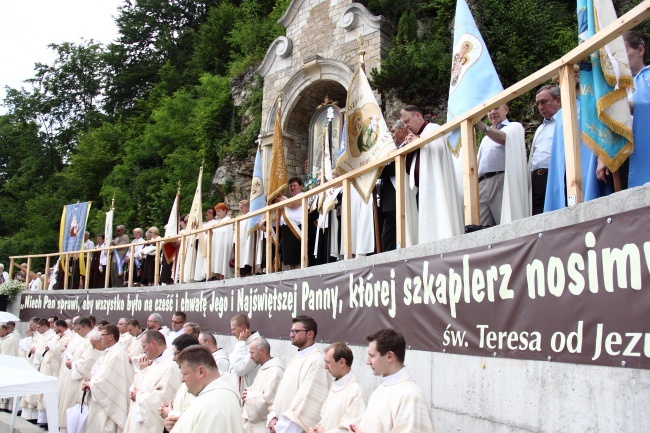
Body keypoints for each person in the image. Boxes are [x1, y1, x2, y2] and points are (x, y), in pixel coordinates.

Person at [350, 329, 434, 433]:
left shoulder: (410, 396)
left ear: (390, 356)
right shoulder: (380, 390)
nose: (367, 361)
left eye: (372, 356)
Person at [400, 105, 463, 243]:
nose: (405, 126)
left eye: (407, 121)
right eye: (404, 123)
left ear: (417, 115)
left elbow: (438, 150)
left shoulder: (432, 128)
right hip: (420, 190)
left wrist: (419, 142)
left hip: (435, 187)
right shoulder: (415, 136)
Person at [268, 315, 330, 433]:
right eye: (291, 331)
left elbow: (306, 403)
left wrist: (280, 428)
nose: (291, 334)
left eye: (296, 331)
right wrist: (273, 416)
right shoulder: (295, 359)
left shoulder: (316, 362)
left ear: (310, 334)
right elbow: (281, 393)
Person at [166, 345, 244, 433]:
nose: (182, 379)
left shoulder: (214, 404)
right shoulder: (213, 395)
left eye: (185, 374)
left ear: (201, 372)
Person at [474, 104, 529, 225]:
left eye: (496, 108)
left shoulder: (514, 126)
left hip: (499, 179)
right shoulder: (485, 138)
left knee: (504, 223)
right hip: (482, 183)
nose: (492, 112)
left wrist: (483, 127)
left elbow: (505, 138)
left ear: (506, 109)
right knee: (481, 226)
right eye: (488, 110)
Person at [124, 330, 181, 433]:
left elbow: (163, 397)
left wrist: (138, 396)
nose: (143, 351)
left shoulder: (170, 366)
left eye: (144, 346)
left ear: (153, 343)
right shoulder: (155, 363)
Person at [83, 324, 134, 433]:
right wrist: (90, 382)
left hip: (110, 400)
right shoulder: (108, 352)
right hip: (98, 397)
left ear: (111, 337)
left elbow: (108, 380)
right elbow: (97, 372)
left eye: (102, 335)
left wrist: (91, 383)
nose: (100, 338)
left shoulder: (118, 354)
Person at [309, 342, 367, 433]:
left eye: (328, 362)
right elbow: (327, 419)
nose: (325, 366)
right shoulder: (335, 385)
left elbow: (351, 429)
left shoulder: (356, 392)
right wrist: (316, 429)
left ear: (342, 362)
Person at [379, 120, 418, 251]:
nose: (393, 135)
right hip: (389, 202)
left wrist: (377, 170)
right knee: (387, 238)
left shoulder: (406, 146)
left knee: (397, 236)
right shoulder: (394, 150)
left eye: (394, 131)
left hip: (400, 197)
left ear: (402, 130)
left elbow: (392, 169)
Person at [622, 31, 650, 188]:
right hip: (623, 153)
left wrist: (632, 106)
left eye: (624, 51)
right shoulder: (617, 86)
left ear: (640, 51)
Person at [529, 85, 562, 215]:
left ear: (558, 100)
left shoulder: (566, 119)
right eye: (538, 104)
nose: (540, 107)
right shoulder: (540, 129)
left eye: (544, 102)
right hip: (537, 180)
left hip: (556, 176)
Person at [242, 338, 285, 433]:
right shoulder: (263, 367)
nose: (250, 357)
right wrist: (248, 391)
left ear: (262, 351)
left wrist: (249, 396)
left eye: (252, 353)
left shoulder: (275, 371)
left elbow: (270, 400)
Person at [159, 334, 200, 433]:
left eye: (176, 354)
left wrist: (170, 413)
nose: (173, 358)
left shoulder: (197, 382)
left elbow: (193, 416)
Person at [229, 313, 261, 393]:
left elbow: (239, 369)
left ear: (243, 328)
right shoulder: (242, 342)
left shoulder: (257, 345)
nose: (232, 332)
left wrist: (240, 342)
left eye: (234, 329)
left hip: (248, 394)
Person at [277, 178, 304, 270]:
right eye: (290, 186)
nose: (292, 188)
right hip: (286, 229)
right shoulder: (287, 200)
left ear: (300, 187)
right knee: (289, 258)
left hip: (296, 227)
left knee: (297, 257)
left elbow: (293, 205)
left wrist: (278, 197)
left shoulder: (302, 195)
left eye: (294, 185)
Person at [211, 202, 234, 280]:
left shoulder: (228, 219)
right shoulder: (217, 222)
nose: (217, 213)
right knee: (217, 260)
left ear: (224, 211)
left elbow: (228, 233)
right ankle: (217, 277)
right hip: (217, 244)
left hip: (224, 243)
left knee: (223, 260)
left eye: (219, 211)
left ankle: (223, 277)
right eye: (216, 211)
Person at [194, 207, 219, 281]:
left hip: (208, 243)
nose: (207, 213)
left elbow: (214, 233)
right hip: (200, 242)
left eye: (209, 212)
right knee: (199, 260)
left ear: (213, 215)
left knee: (206, 260)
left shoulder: (215, 222)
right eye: (207, 211)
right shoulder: (203, 224)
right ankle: (200, 277)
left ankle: (209, 275)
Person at [234, 200, 255, 277]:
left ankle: (249, 271)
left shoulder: (251, 215)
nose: (241, 209)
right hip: (241, 241)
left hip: (248, 240)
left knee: (248, 256)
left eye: (242, 207)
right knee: (241, 257)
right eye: (240, 208)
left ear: (248, 207)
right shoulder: (240, 218)